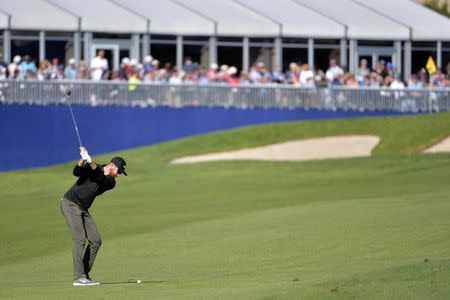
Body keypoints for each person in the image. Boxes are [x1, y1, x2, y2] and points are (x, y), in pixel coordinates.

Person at [60, 147, 127, 286]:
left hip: (83, 208)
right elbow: (76, 172)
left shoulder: (111, 182)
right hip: (70, 204)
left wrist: (90, 160)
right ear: (112, 165)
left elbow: (99, 176)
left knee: (96, 240)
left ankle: (84, 274)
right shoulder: (93, 168)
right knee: (79, 239)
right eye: (119, 171)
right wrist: (82, 159)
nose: (119, 175)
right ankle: (79, 278)